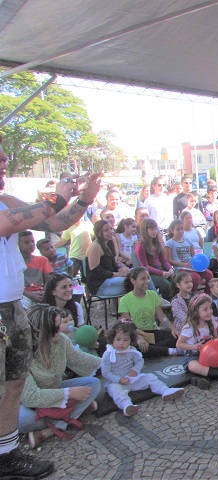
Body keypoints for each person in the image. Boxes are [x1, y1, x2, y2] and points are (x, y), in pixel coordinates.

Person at [0, 137, 100, 478]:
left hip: (11, 306)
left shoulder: (5, 200)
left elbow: (55, 222)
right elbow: (14, 223)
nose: (3, 162)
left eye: (3, 156)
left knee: (13, 383)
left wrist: (83, 199)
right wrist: (59, 194)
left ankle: (8, 455)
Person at [19, 305, 102, 449]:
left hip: (55, 392)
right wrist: (69, 393)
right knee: (21, 420)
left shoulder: (61, 340)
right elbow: (29, 397)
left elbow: (78, 359)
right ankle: (73, 413)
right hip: (29, 404)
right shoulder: (21, 354)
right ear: (42, 330)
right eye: (57, 327)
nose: (62, 329)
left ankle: (51, 429)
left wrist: (108, 363)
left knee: (94, 384)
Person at [102, 321, 184, 416]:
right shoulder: (108, 354)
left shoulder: (132, 351)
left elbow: (139, 361)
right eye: (118, 339)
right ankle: (127, 405)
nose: (121, 343)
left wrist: (134, 371)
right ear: (112, 339)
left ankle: (165, 390)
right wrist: (119, 379)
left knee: (150, 377)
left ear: (131, 340)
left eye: (125, 340)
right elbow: (105, 373)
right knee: (115, 391)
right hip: (116, 382)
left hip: (131, 379)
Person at [118, 267, 180, 358]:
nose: (147, 281)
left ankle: (154, 350)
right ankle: (170, 351)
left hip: (152, 332)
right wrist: (139, 337)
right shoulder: (125, 300)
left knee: (176, 337)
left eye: (148, 278)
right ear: (133, 281)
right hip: (135, 333)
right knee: (134, 346)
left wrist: (172, 328)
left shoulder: (152, 294)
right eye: (143, 279)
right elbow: (126, 324)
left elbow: (161, 316)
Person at [164, 219, 213, 293]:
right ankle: (191, 296)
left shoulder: (188, 241)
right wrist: (183, 264)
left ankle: (207, 295)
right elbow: (169, 260)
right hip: (180, 268)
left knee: (209, 274)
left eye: (182, 229)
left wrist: (195, 264)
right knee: (195, 278)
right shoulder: (169, 243)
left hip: (191, 267)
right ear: (172, 230)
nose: (181, 231)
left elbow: (194, 256)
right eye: (178, 229)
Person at [86, 220, 130, 297]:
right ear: (99, 233)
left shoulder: (107, 244)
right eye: (106, 230)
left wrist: (123, 269)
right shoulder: (95, 246)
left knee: (141, 273)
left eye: (111, 229)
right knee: (135, 281)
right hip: (100, 285)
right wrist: (117, 274)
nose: (110, 231)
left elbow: (113, 265)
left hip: (110, 279)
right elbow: (95, 271)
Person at [135, 218, 174, 300]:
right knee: (166, 284)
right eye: (152, 229)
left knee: (177, 280)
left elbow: (164, 260)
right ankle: (167, 305)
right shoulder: (141, 246)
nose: (155, 231)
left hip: (161, 269)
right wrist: (161, 273)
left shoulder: (157, 244)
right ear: (145, 230)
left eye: (156, 228)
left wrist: (170, 269)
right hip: (150, 273)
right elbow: (145, 266)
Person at [19, 231, 53, 309]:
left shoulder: (42, 260)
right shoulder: (15, 263)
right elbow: (14, 285)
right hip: (24, 294)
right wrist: (30, 295)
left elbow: (48, 279)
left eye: (33, 241)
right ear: (18, 244)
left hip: (42, 292)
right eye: (26, 242)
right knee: (24, 307)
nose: (31, 244)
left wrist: (45, 292)